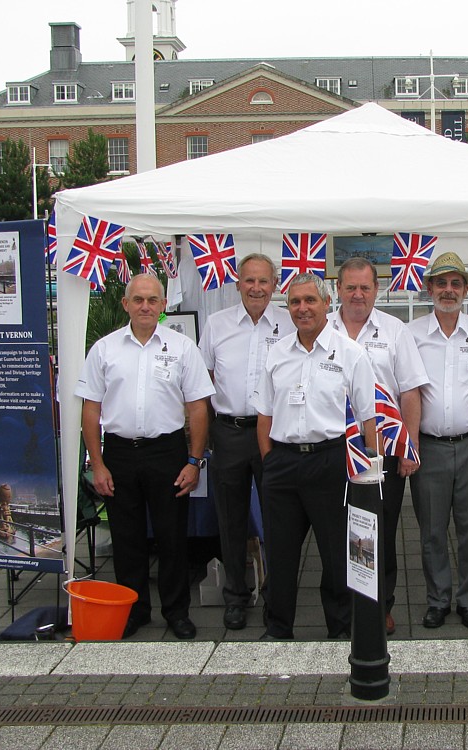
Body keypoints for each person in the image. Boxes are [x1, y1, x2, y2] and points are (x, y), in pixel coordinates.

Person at [76, 274, 215, 640]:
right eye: (138, 300)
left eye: (153, 300)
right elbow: (90, 410)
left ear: (163, 304)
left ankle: (176, 612)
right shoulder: (104, 350)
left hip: (167, 452)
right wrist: (98, 463)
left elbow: (198, 408)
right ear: (125, 304)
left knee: (172, 538)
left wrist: (194, 461)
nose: (145, 306)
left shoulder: (183, 348)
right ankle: (134, 610)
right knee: (127, 539)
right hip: (119, 453)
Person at [255, 272, 378, 640]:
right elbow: (264, 415)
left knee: (337, 556)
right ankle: (278, 629)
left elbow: (369, 417)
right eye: (295, 302)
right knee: (279, 553)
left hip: (330, 461)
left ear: (328, 304)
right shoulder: (276, 353)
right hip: (283, 462)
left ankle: (340, 631)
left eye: (310, 300)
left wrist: (371, 474)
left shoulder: (351, 353)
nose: (303, 308)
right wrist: (270, 462)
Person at [328, 257, 428, 635]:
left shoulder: (394, 330)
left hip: (381, 452)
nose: (357, 295)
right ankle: (346, 605)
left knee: (380, 532)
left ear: (376, 290)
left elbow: (410, 391)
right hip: (333, 448)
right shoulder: (322, 328)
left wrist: (410, 448)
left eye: (365, 288)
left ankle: (381, 604)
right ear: (337, 289)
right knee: (339, 530)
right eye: (350, 287)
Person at [199, 253, 295, 630]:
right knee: (231, 519)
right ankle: (237, 595)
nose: (256, 288)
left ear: (275, 285)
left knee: (278, 519)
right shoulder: (216, 324)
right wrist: (205, 437)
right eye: (249, 280)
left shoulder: (290, 324)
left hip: (274, 433)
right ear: (238, 284)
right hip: (230, 432)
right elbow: (202, 384)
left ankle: (277, 595)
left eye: (264, 281)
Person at [407, 252, 468, 629]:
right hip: (429, 447)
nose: (448, 290)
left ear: (465, 289)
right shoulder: (410, 335)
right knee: (431, 531)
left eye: (455, 283)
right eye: (441, 283)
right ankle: (438, 598)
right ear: (429, 289)